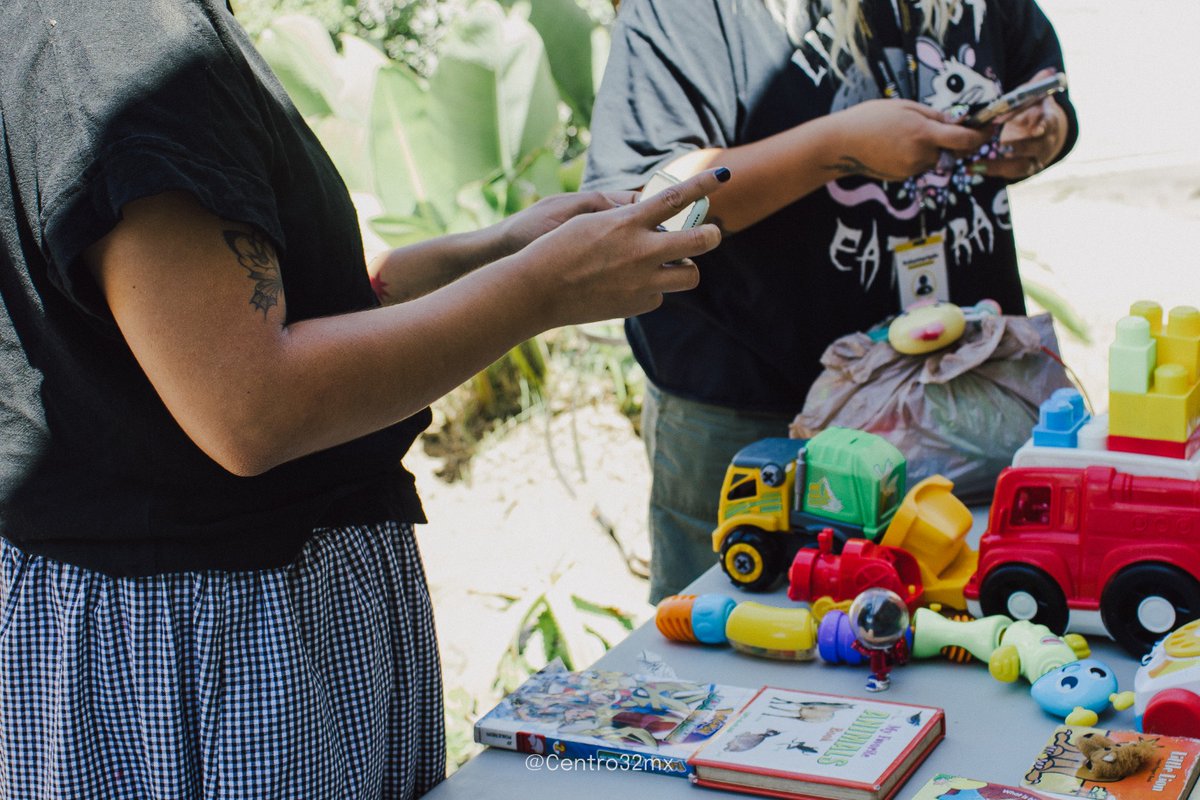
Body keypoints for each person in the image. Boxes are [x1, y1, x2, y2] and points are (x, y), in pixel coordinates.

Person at [0, 2, 725, 798]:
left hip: (235, 614)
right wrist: (542, 290)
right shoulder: (116, 36)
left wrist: (505, 248)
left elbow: (269, 305)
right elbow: (250, 406)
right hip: (218, 638)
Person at [583, 0, 1078, 603]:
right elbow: (642, 208)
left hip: (959, 395)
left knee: (965, 626)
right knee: (729, 647)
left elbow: (1045, 93)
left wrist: (1041, 129)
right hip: (758, 414)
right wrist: (835, 148)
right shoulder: (694, 13)